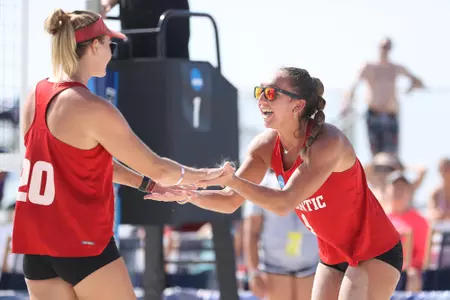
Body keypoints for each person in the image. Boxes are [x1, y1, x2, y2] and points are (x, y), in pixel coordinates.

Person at [12, 9, 224, 300]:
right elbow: (158, 167)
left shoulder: (34, 96)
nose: (112, 51)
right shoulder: (92, 107)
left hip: (37, 250)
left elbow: (83, 163)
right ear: (94, 47)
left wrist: (146, 184)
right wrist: (208, 176)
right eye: (109, 44)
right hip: (80, 243)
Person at [147, 67, 404, 300]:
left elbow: (284, 203)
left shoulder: (328, 143)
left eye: (270, 93)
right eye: (260, 92)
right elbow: (229, 202)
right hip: (332, 254)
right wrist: (187, 193)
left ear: (297, 106)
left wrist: (233, 181)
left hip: (374, 249)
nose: (261, 99)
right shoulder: (265, 146)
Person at [342, 37, 425, 156]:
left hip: (391, 115)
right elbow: (352, 86)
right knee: (376, 153)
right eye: (383, 47)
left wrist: (410, 87)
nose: (385, 50)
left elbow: (418, 82)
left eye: (387, 47)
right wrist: (346, 103)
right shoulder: (368, 67)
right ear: (378, 47)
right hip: (374, 114)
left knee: (392, 154)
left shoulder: (395, 68)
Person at [243, 170, 318, 300]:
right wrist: (253, 273)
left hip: (311, 268)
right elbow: (251, 233)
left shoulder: (316, 180)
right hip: (274, 270)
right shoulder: (262, 184)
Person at [384, 171, 428, 291]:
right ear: (387, 190)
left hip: (407, 272)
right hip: (380, 267)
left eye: (403, 187)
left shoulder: (420, 221)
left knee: (413, 276)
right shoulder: (377, 217)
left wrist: (405, 266)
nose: (398, 191)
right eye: (395, 187)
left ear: (410, 192)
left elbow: (422, 256)